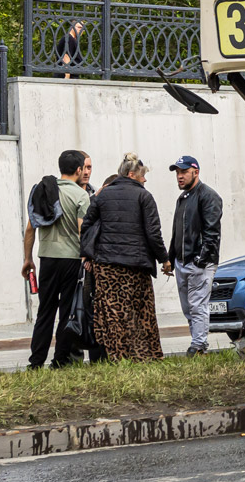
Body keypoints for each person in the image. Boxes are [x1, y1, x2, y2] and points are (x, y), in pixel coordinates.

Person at [80, 153, 167, 362]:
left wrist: (90, 255)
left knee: (113, 313)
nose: (145, 180)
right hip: (136, 266)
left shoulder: (102, 196)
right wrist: (164, 259)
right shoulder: (144, 197)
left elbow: (86, 227)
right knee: (140, 313)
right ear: (131, 175)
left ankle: (118, 356)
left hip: (107, 266)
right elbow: (153, 233)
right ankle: (145, 355)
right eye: (142, 176)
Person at [22, 150, 97, 368]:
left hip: (46, 259)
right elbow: (84, 231)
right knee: (67, 311)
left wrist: (28, 259)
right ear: (78, 170)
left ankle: (35, 363)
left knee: (45, 312)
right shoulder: (81, 196)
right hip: (71, 260)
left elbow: (30, 229)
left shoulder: (44, 190)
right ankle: (60, 360)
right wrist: (87, 257)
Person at [167, 155, 223, 355]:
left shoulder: (208, 196)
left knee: (198, 305)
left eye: (183, 172)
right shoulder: (183, 198)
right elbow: (177, 232)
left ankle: (199, 345)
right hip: (182, 261)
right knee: (188, 308)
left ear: (195, 172)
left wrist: (202, 259)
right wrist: (169, 258)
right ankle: (196, 341)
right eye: (177, 173)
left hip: (200, 262)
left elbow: (212, 232)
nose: (179, 176)